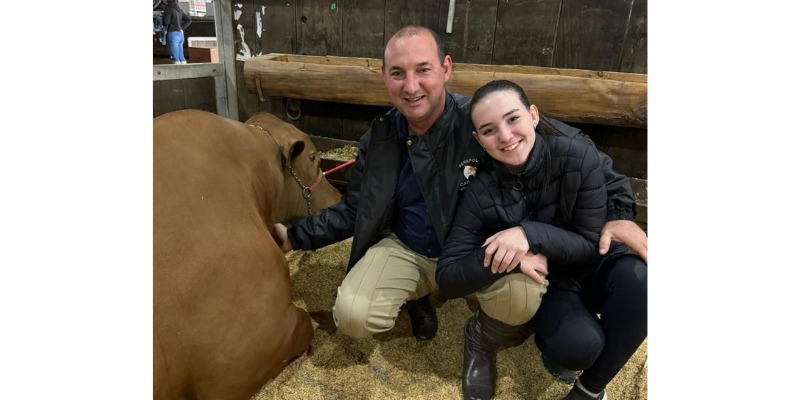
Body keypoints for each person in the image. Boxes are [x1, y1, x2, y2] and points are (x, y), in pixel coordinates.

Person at [273, 26, 647, 362]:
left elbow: (580, 152)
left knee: (523, 298)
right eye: (398, 73)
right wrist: (297, 235)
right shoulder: (379, 138)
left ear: (446, 68)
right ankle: (419, 297)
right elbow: (356, 209)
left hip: (481, 248)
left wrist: (618, 212)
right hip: (409, 247)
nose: (411, 86)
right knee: (354, 315)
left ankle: (483, 335)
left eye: (423, 70)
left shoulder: (485, 117)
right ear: (384, 77)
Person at [437, 79, 631, 400]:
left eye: (513, 119)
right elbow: (448, 273)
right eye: (489, 130)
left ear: (533, 115)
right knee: (576, 342)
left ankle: (588, 387)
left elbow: (589, 241)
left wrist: (528, 234)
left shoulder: (576, 153)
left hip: (580, 260)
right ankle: (487, 338)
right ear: (478, 139)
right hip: (540, 275)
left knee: (638, 279)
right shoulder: (480, 188)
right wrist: (507, 253)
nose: (505, 135)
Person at [160, 0, 191, 64]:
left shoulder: (168, 8)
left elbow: (166, 22)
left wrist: (163, 17)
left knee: (175, 59)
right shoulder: (179, 9)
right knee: (182, 58)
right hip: (180, 35)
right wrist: (182, 28)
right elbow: (189, 20)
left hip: (172, 34)